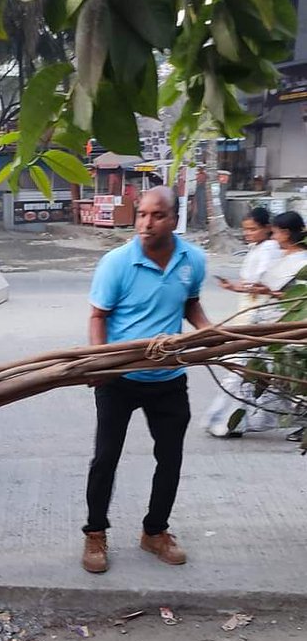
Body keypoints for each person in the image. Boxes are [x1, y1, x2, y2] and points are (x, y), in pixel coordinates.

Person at [82, 187, 209, 574]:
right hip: (120, 376)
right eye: (141, 215)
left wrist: (209, 333)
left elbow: (189, 303)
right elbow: (98, 316)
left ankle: (155, 532)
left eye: (156, 216)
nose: (146, 223)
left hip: (169, 377)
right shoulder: (117, 263)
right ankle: (95, 533)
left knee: (170, 458)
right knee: (106, 457)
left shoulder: (193, 260)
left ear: (174, 219)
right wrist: (102, 365)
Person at [204, 207, 282, 438]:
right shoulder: (258, 248)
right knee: (245, 370)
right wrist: (234, 287)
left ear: (267, 229)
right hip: (248, 310)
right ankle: (228, 421)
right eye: (245, 229)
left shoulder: (270, 249)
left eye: (253, 229)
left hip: (259, 315)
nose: (248, 233)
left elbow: (263, 283)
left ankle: (226, 421)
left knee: (242, 370)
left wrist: (243, 287)